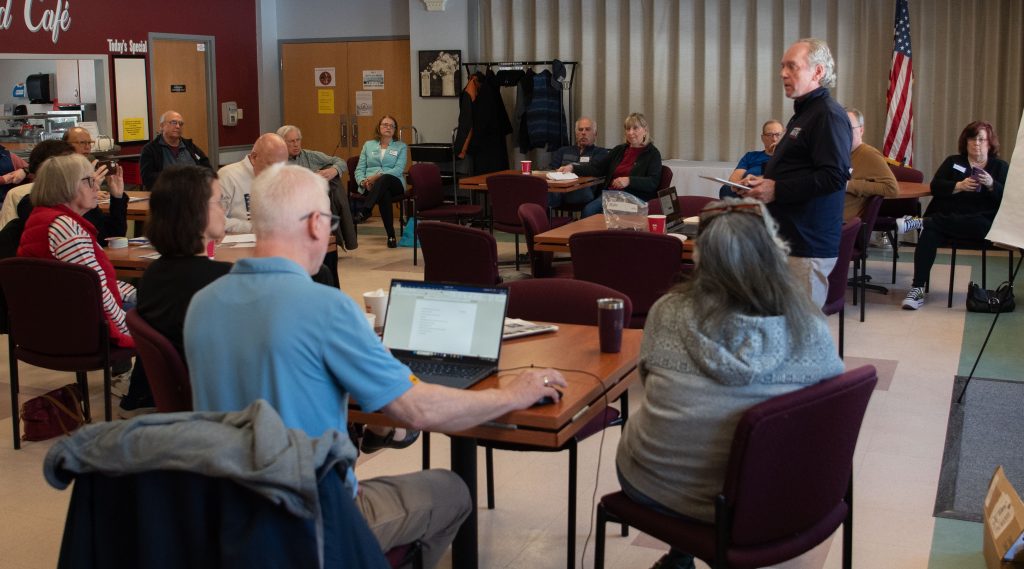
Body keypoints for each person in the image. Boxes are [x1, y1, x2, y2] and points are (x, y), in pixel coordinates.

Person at [184, 164, 567, 567]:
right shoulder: (326, 309)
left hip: (224, 519)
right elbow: (417, 410)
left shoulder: (203, 304)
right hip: (312, 524)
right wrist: (513, 394)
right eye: (330, 221)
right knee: (451, 491)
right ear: (316, 224)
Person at [615, 198, 845, 569]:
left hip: (661, 484)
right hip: (773, 498)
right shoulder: (809, 326)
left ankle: (680, 555)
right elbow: (828, 408)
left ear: (700, 258)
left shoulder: (667, 312)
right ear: (775, 252)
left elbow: (649, 378)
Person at [740, 38, 852, 308]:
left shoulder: (827, 115)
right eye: (782, 67)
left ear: (817, 72)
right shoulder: (805, 112)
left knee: (801, 341)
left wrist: (776, 189)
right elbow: (800, 169)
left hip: (807, 245)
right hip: (789, 239)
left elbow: (834, 176)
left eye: (792, 66)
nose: (783, 73)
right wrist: (765, 182)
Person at [127, 166, 232, 409]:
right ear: (197, 212)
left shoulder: (152, 274)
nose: (224, 209)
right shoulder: (221, 281)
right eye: (218, 202)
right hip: (220, 402)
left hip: (180, 396)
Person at [17, 154, 135, 350]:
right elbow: (97, 290)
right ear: (67, 186)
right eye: (90, 181)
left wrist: (137, 295)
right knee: (168, 317)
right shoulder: (65, 227)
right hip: (79, 328)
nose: (97, 187)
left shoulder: (45, 218)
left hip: (51, 322)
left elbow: (98, 282)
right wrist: (128, 331)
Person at [897, 120, 1009, 310]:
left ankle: (923, 222)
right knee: (929, 234)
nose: (977, 143)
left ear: (990, 143)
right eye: (972, 139)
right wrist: (958, 186)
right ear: (965, 142)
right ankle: (917, 289)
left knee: (976, 223)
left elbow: (1007, 200)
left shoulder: (999, 167)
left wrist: (991, 184)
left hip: (980, 224)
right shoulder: (953, 162)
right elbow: (935, 186)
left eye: (982, 139)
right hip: (949, 222)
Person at [560, 112, 662, 218]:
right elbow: (597, 168)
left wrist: (629, 180)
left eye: (635, 128)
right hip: (611, 195)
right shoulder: (619, 150)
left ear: (645, 130)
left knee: (599, 214)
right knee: (588, 211)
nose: (631, 132)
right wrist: (572, 167)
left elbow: (652, 182)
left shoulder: (653, 154)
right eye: (628, 129)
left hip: (634, 197)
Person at [353, 114, 407, 248]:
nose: (388, 127)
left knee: (385, 178)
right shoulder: (368, 145)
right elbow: (359, 169)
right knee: (384, 194)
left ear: (395, 129)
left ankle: (366, 210)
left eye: (391, 126)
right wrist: (363, 182)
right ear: (379, 127)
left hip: (395, 183)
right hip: (371, 186)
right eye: (385, 125)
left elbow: (398, 169)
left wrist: (376, 177)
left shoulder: (401, 146)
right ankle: (391, 236)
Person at [217, 133, 288, 234]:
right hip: (237, 242)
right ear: (254, 158)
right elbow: (215, 220)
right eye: (272, 165)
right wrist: (252, 228)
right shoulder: (227, 176)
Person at [842, 107, 898, 222]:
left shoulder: (869, 154)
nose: (844, 132)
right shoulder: (837, 153)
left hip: (841, 224)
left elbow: (892, 188)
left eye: (849, 128)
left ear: (861, 130)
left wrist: (848, 185)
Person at [139, 110, 213, 189]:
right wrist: (176, 177)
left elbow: (208, 169)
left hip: (193, 193)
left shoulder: (190, 146)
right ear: (161, 126)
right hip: (165, 194)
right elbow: (147, 178)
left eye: (180, 124)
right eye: (173, 122)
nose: (178, 126)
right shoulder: (151, 149)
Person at [547, 116, 609, 209]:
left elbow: (594, 169)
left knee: (548, 197)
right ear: (576, 134)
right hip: (559, 190)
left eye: (587, 129)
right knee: (540, 192)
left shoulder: (601, 152)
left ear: (595, 134)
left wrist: (573, 168)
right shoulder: (563, 151)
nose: (583, 133)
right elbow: (552, 169)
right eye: (580, 130)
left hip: (584, 191)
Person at [719, 120, 783, 198]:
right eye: (770, 135)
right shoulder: (750, 156)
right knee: (725, 190)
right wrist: (742, 186)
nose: (774, 139)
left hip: (773, 196)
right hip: (745, 194)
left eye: (778, 134)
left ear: (784, 137)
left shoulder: (790, 158)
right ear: (763, 138)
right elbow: (731, 183)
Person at [277, 124, 347, 181]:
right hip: (289, 196)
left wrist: (334, 170)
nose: (296, 144)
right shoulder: (276, 161)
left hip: (313, 196)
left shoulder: (310, 156)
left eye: (298, 140)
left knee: (335, 178)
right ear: (282, 142)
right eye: (291, 141)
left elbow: (341, 162)